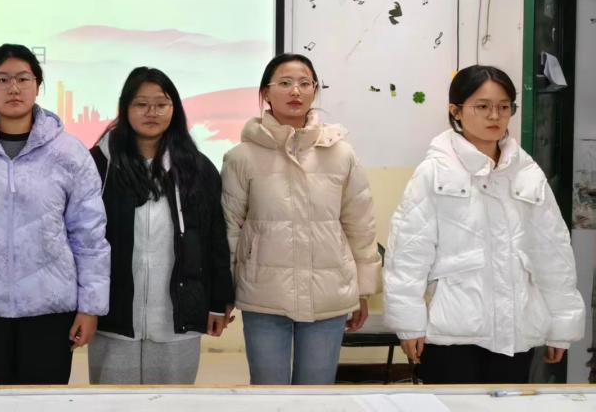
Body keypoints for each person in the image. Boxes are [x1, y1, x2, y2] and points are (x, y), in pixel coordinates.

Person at [384, 64, 584, 383]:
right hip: (451, 330)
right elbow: (408, 253)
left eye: (504, 107)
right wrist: (409, 323)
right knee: (451, 404)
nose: (495, 116)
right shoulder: (434, 173)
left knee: (507, 404)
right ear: (456, 111)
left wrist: (562, 324)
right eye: (482, 106)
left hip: (516, 331)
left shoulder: (527, 173)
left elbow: (553, 253)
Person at [0, 43, 110, 385]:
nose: (13, 87)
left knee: (43, 404)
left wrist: (90, 306)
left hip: (51, 311)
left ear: (38, 85)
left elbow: (89, 235)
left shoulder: (69, 153)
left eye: (23, 79)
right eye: (3, 79)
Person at [221, 53, 380, 385]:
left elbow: (360, 224)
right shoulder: (241, 157)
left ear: (314, 91)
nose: (295, 91)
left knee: (316, 396)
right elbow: (229, 228)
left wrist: (362, 290)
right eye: (285, 83)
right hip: (263, 294)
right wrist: (223, 293)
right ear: (265, 93)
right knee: (269, 395)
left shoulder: (341, 154)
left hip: (329, 293)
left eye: (305, 83)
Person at [87, 67, 233, 384]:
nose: (151, 112)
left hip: (176, 320)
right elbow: (81, 240)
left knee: (172, 402)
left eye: (161, 104)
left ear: (174, 109)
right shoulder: (98, 165)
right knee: (112, 403)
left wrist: (218, 303)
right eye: (141, 104)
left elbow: (215, 240)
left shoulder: (197, 168)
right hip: (114, 318)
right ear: (125, 108)